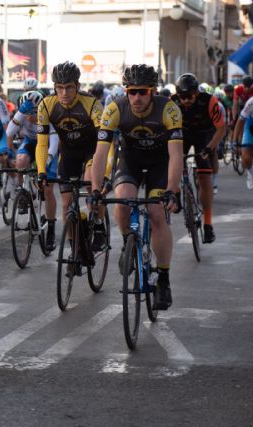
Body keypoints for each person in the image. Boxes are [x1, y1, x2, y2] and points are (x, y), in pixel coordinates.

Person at [90, 64, 182, 310]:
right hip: (131, 160)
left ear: (153, 91)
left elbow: (176, 155)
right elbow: (101, 153)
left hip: (160, 163)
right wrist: (96, 189)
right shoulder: (114, 108)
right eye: (132, 92)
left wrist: (172, 189)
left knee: (156, 214)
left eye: (143, 92)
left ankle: (163, 278)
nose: (137, 97)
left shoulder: (169, 109)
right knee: (122, 201)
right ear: (126, 92)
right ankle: (128, 242)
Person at [36, 61, 107, 252]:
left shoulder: (92, 104)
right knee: (67, 204)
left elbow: (105, 142)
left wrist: (105, 171)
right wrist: (41, 171)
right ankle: (74, 248)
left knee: (90, 183)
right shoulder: (46, 105)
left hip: (92, 151)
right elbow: (42, 143)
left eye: (69, 87)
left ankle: (99, 225)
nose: (64, 93)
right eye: (59, 88)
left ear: (77, 86)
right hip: (68, 153)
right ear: (54, 88)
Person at [171, 73, 224, 243]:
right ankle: (176, 191)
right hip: (183, 133)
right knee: (173, 159)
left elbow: (221, 128)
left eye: (190, 96)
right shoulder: (172, 102)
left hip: (204, 134)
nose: (186, 100)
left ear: (197, 93)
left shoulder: (209, 101)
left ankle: (208, 224)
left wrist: (210, 147)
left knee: (204, 177)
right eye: (183, 97)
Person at [9, 90, 59, 251]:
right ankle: (23, 192)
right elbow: (9, 132)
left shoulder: (48, 117)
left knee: (48, 189)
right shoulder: (23, 115)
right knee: (20, 161)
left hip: (48, 147)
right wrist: (21, 112)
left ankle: (51, 228)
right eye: (29, 112)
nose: (32, 116)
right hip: (31, 143)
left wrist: (45, 163)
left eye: (35, 112)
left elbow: (54, 144)